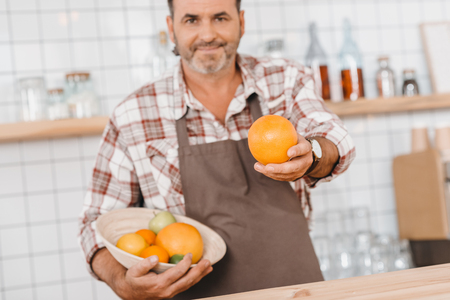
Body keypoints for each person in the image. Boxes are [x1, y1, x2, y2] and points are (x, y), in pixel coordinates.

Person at [78, 0, 356, 299]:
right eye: (192, 20)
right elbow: (94, 224)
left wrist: (312, 153)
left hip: (298, 290)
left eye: (220, 17)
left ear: (242, 22)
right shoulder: (132, 114)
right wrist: (123, 283)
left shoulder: (286, 80)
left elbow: (333, 137)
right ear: (172, 28)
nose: (208, 34)